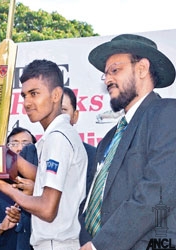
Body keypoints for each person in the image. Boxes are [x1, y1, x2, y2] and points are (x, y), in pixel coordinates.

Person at [79, 34, 176, 250]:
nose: (107, 80)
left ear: (141, 69)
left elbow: (157, 192)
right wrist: (87, 240)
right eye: (105, 74)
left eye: (115, 70)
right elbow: (93, 199)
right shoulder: (109, 139)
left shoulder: (169, 114)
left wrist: (100, 245)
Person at [0, 59, 88, 250]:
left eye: (34, 94)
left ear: (56, 95)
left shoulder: (58, 138)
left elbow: (47, 210)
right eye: (24, 95)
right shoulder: (58, 135)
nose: (27, 103)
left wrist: (1, 186)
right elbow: (44, 178)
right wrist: (6, 156)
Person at [62, 87, 97, 196]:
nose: (57, 117)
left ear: (75, 116)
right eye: (52, 110)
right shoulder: (32, 154)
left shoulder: (93, 156)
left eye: (63, 110)